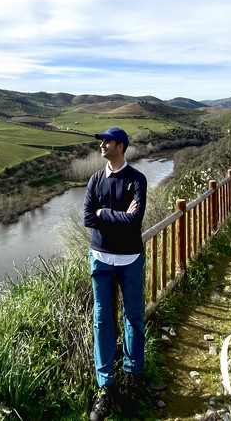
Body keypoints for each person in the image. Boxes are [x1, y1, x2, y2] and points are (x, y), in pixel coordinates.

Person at [83, 127, 147, 421]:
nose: (102, 145)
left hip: (130, 258)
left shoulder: (137, 179)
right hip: (100, 259)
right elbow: (87, 218)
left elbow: (135, 219)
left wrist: (103, 213)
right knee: (101, 319)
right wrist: (115, 215)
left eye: (106, 141)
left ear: (120, 146)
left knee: (133, 317)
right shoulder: (95, 179)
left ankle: (132, 375)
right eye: (101, 142)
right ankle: (106, 386)